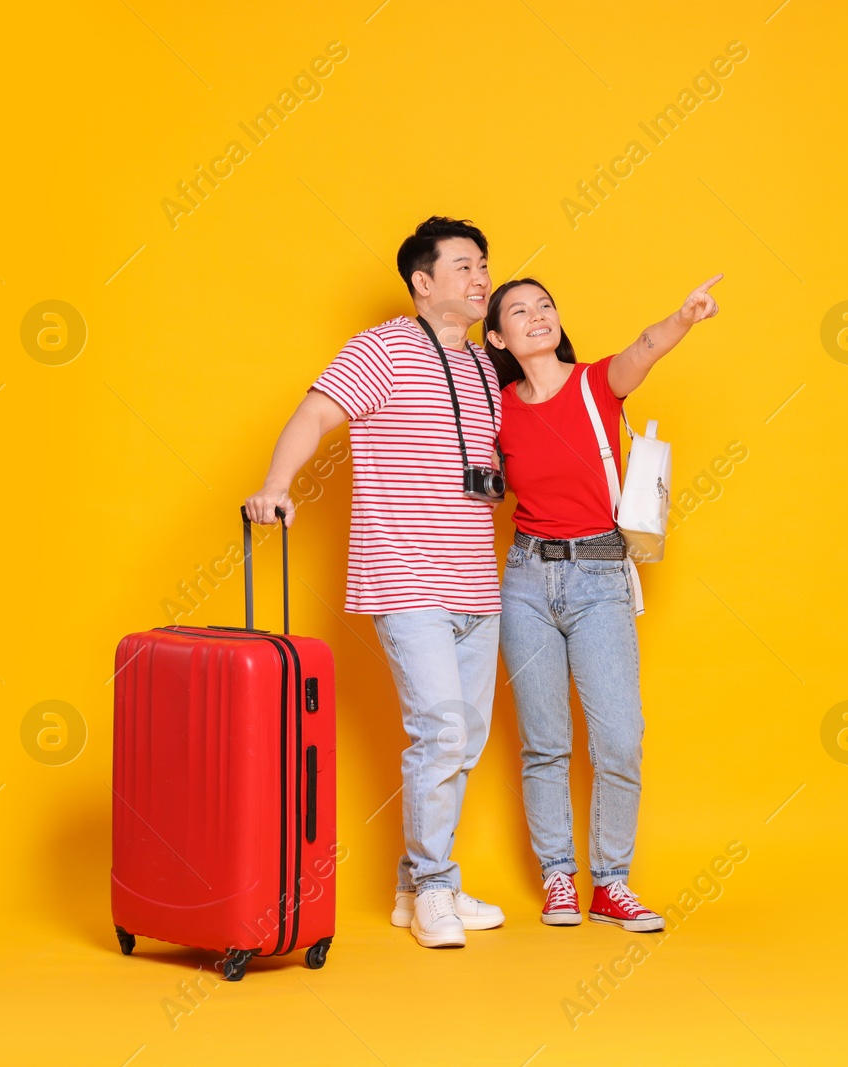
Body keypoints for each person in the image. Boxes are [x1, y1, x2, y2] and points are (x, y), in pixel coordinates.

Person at [243, 216, 507, 949]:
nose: (480, 277)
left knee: (466, 737)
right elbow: (317, 412)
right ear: (423, 283)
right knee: (441, 729)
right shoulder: (384, 348)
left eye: (483, 264)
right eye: (463, 266)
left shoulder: (487, 363)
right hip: (405, 575)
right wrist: (275, 483)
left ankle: (414, 885)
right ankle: (433, 887)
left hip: (476, 584)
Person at [483, 272, 722, 931]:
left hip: (599, 577)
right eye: (520, 311)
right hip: (527, 580)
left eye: (546, 305)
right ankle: (559, 877)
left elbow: (643, 348)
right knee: (544, 741)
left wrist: (685, 316)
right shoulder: (499, 405)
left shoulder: (593, 383)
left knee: (619, 737)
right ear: (499, 336)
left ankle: (610, 883)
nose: (538, 316)